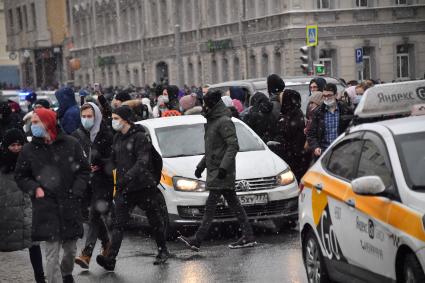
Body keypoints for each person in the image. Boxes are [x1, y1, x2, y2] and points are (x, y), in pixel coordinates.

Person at [15, 107, 90, 283]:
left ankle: (66, 272)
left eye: (35, 122)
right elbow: (21, 175)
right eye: (31, 123)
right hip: (45, 207)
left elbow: (84, 171)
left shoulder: (71, 143)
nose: (32, 126)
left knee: (70, 250)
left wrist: (76, 191)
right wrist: (34, 188)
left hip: (69, 203)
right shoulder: (29, 149)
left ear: (47, 123)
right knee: (51, 254)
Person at [178, 90, 256, 251]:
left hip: (221, 172)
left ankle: (197, 240)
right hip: (216, 170)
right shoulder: (213, 121)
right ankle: (248, 236)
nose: (203, 106)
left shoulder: (223, 121)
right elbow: (213, 150)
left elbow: (233, 146)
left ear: (212, 104)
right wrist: (201, 166)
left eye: (205, 103)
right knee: (234, 205)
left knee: (211, 207)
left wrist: (223, 168)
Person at [96, 106, 169, 271]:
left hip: (144, 186)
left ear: (126, 120)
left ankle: (162, 250)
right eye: (113, 118)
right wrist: (99, 164)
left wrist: (126, 178)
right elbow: (113, 160)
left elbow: (142, 162)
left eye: (116, 118)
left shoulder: (140, 137)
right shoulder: (117, 138)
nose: (113, 122)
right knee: (119, 224)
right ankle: (111, 259)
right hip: (125, 189)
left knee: (155, 220)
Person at [0, 129, 45, 283]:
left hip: (26, 213)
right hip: (5, 215)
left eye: (20, 144)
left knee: (34, 245)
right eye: (13, 145)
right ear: (6, 146)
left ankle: (40, 279)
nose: (17, 148)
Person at [72, 103, 114, 270]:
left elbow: (113, 158)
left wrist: (100, 164)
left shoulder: (106, 134)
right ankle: (106, 242)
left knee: (94, 216)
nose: (87, 119)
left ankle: (87, 253)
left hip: (102, 181)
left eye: (90, 116)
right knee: (88, 216)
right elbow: (72, 157)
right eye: (84, 116)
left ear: (96, 116)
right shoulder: (77, 134)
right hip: (84, 181)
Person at [307, 83, 353, 158]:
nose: (327, 98)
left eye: (329, 95)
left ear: (336, 95)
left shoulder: (345, 110)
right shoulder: (318, 112)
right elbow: (311, 133)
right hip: (324, 152)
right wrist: (315, 147)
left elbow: (352, 129)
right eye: (324, 96)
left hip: (343, 151)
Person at [274, 89, 308, 182]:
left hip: (294, 156)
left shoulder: (293, 115)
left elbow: (289, 134)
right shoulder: (291, 113)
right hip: (294, 155)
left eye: (283, 99)